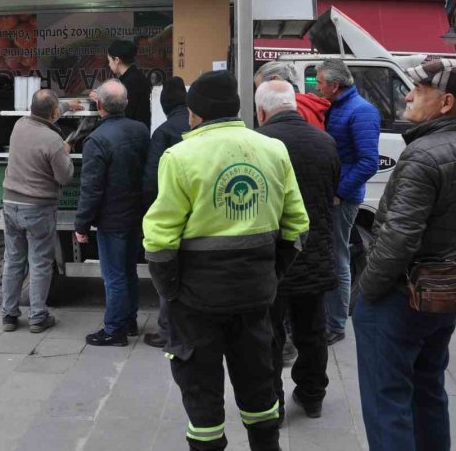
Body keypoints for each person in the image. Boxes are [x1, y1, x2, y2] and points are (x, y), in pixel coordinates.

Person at [143, 70, 310, 451]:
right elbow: (297, 225)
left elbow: (159, 237)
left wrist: (171, 291)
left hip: (196, 301)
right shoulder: (272, 149)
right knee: (259, 385)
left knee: (201, 394)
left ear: (195, 114)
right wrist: (270, 273)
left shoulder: (179, 157)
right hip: (255, 296)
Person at [354, 59, 456, 451]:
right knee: (428, 391)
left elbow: (398, 238)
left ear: (446, 102)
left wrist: (368, 291)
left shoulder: (424, 154)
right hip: (444, 289)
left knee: (388, 401)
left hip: (401, 296)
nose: (408, 95)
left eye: (418, 89)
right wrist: (452, 261)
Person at [254, 80, 339, 420]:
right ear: (295, 104)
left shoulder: (259, 144)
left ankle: (271, 401)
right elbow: (331, 192)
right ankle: (312, 394)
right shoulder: (326, 142)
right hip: (315, 252)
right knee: (312, 330)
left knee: (269, 334)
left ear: (262, 112)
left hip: (274, 257)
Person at [75, 79, 150, 347]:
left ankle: (115, 330)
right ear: (126, 103)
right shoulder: (141, 130)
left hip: (112, 218)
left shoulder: (96, 140)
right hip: (137, 214)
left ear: (98, 105)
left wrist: (82, 224)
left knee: (114, 275)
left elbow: (91, 188)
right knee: (129, 271)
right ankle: (128, 321)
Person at [317, 59, 381, 345]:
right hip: (332, 195)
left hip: (342, 199)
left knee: (338, 258)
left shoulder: (362, 111)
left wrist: (340, 192)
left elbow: (369, 162)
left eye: (319, 83)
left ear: (334, 85)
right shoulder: (335, 106)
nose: (317, 88)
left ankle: (337, 324)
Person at [1, 89, 74, 334]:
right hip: (38, 208)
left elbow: (47, 114)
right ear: (53, 113)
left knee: (13, 261)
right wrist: (67, 151)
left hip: (10, 204)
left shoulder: (19, 125)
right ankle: (37, 317)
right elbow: (65, 177)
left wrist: (67, 107)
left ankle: (9, 315)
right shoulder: (53, 141)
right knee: (40, 263)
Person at [142, 76, 189, 349]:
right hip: (197, 213)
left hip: (170, 214)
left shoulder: (163, 132)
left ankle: (167, 331)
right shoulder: (199, 126)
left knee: (167, 272)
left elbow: (151, 180)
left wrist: (148, 211)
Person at [253, 61, 330, 130]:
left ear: (275, 79)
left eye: (260, 88)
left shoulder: (286, 108)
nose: (259, 93)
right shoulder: (308, 104)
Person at [107, 39, 151, 127]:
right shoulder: (138, 77)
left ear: (116, 60)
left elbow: (125, 113)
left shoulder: (128, 83)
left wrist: (103, 100)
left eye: (109, 60)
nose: (109, 64)